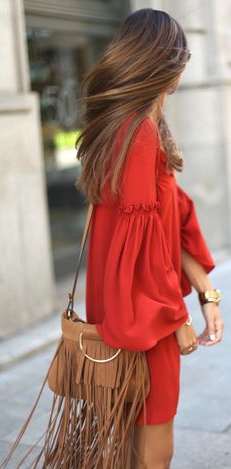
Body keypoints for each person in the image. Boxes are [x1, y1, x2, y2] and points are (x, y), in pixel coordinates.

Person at [76, 8, 224, 469]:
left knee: (126, 447)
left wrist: (207, 293)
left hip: (125, 311)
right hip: (145, 321)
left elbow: (169, 224)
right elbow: (141, 249)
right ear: (168, 63)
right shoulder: (138, 132)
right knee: (153, 455)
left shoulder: (128, 128)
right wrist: (175, 316)